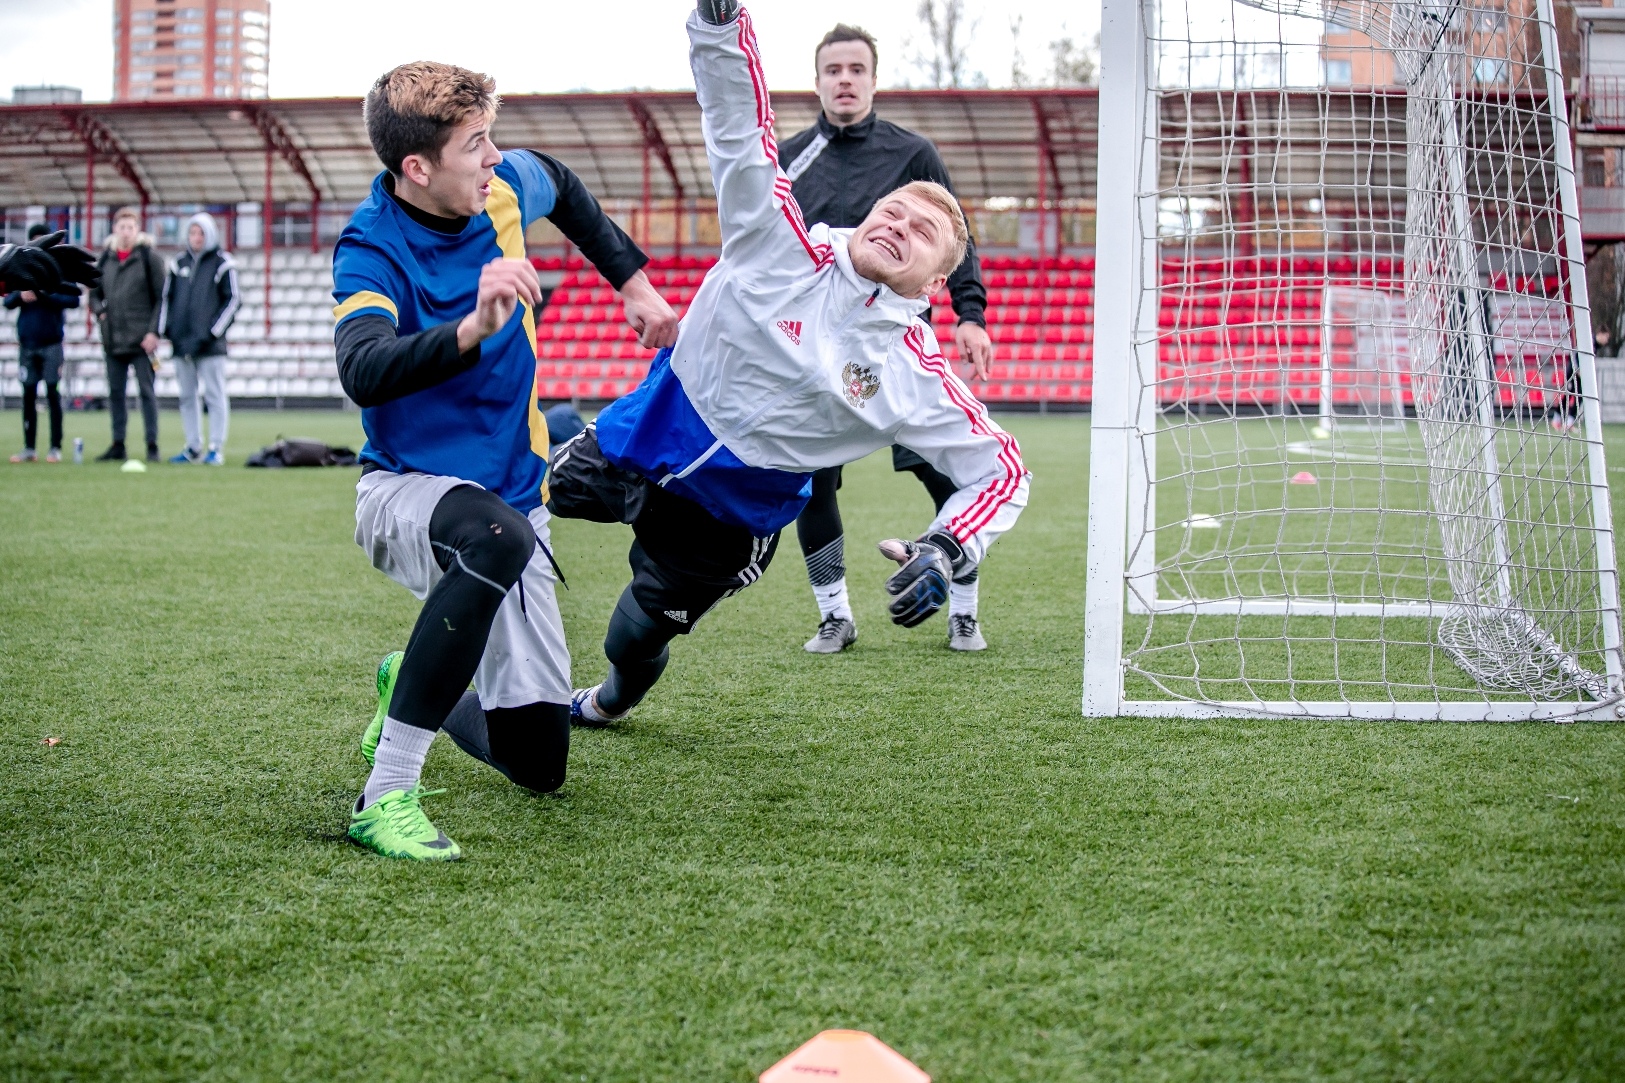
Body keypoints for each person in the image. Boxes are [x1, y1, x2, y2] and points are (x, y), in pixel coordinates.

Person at [550, 1, 1029, 730]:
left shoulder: (913, 370)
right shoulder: (776, 242)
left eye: (922, 231)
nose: (898, 225)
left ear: (936, 284)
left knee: (634, 634)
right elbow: (739, 129)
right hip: (639, 437)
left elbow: (1002, 471)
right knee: (527, 499)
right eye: (893, 212)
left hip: (729, 514)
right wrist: (717, 22)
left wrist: (945, 544)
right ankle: (556, 440)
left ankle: (608, 702)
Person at [332, 61, 678, 861]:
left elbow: (559, 181)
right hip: (404, 491)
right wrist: (470, 330)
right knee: (495, 539)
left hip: (514, 499)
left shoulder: (504, 186)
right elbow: (363, 366)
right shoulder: (370, 245)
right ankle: (383, 795)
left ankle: (408, 676)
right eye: (474, 144)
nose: (494, 157)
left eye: (491, 138)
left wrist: (633, 284)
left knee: (540, 762)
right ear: (417, 167)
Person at [781, 24, 997, 655]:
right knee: (811, 485)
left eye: (856, 69)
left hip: (900, 348)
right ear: (817, 79)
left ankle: (964, 607)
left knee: (945, 476)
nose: (844, 79)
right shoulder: (788, 157)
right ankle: (834, 615)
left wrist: (970, 313)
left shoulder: (914, 153)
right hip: (819, 354)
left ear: (873, 79)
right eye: (832, 70)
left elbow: (960, 239)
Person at [159, 212, 239, 465]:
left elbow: (233, 300)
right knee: (186, 397)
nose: (196, 238)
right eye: (193, 233)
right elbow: (166, 299)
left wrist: (212, 332)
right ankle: (193, 447)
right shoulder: (177, 263)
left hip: (210, 345)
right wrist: (167, 330)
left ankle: (215, 448)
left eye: (201, 233)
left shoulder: (223, 263)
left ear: (210, 234)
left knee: (214, 395)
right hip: (181, 343)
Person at [89, 207, 166, 463]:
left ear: (137, 230)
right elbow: (93, 293)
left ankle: (152, 445)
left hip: (142, 340)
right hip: (113, 338)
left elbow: (161, 298)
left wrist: (153, 331)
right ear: (114, 229)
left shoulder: (148, 258)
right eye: (121, 227)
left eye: (130, 228)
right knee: (116, 394)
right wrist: (100, 312)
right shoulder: (105, 261)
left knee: (146, 393)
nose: (125, 232)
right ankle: (117, 443)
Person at [6, 224, 80, 463]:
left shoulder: (56, 271)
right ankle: (29, 447)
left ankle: (55, 446)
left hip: (51, 343)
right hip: (27, 343)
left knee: (52, 393)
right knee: (28, 395)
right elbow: (7, 301)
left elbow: (72, 298)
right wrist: (21, 293)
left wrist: (42, 292)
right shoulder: (19, 273)